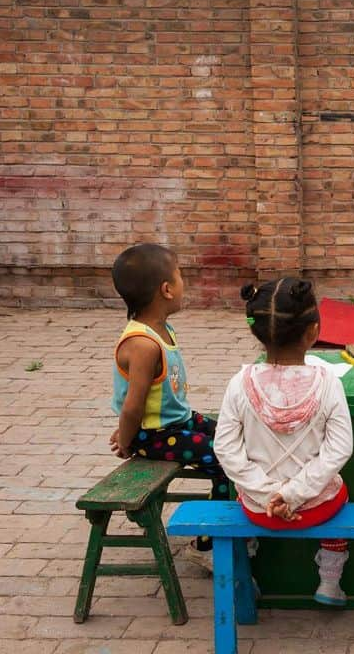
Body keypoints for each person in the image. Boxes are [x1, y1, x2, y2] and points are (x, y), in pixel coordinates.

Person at [214, 278, 353, 606]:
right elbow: (340, 449)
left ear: (255, 331)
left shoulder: (240, 383)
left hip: (260, 510)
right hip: (316, 506)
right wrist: (292, 494)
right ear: (313, 332)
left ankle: (245, 576)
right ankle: (329, 584)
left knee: (238, 496)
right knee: (342, 494)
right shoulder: (327, 382)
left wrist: (268, 495)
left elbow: (225, 448)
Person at [109, 243, 230, 570]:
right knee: (225, 461)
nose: (182, 284)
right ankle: (207, 545)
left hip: (176, 422)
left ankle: (231, 523)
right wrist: (125, 438)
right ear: (166, 289)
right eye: (180, 276)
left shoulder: (160, 330)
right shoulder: (143, 344)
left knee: (231, 433)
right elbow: (133, 406)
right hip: (156, 435)